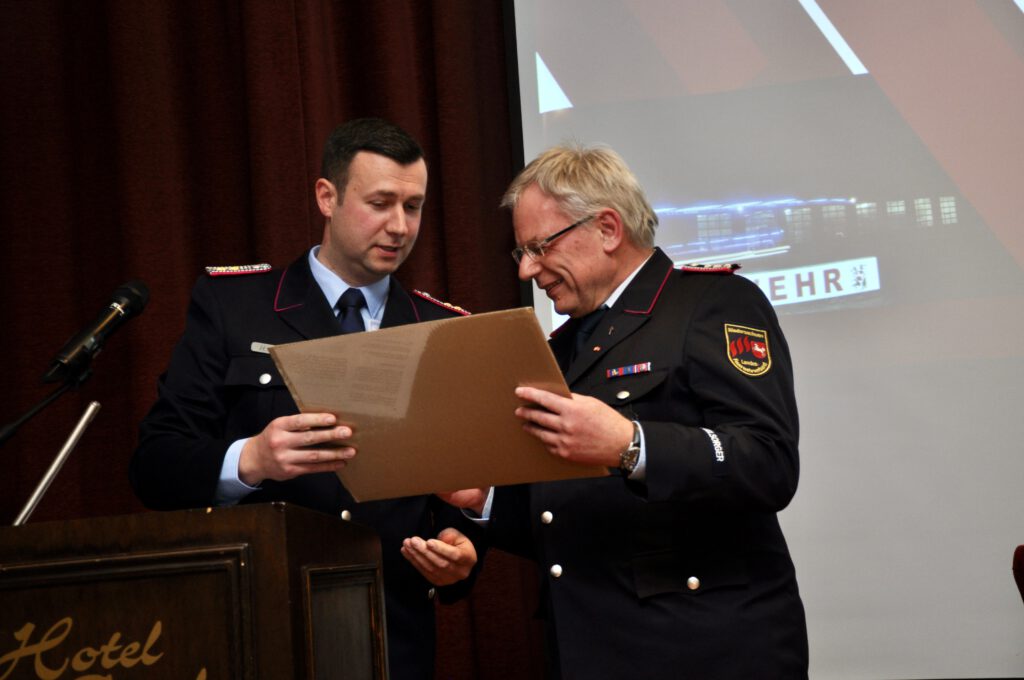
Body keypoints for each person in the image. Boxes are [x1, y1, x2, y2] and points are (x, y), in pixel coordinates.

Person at [130, 118, 482, 680]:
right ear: (327, 197)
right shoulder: (235, 306)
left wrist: (462, 550)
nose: (399, 226)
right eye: (380, 203)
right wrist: (251, 460)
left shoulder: (441, 329)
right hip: (259, 625)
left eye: (413, 207)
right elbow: (155, 465)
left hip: (390, 639)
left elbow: (465, 489)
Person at [454, 144, 808, 678]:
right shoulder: (560, 348)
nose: (528, 269)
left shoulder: (713, 304)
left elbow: (769, 462)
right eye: (521, 252)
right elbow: (572, 520)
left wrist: (631, 445)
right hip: (593, 654)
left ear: (607, 228)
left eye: (540, 247)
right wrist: (485, 501)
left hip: (706, 656)